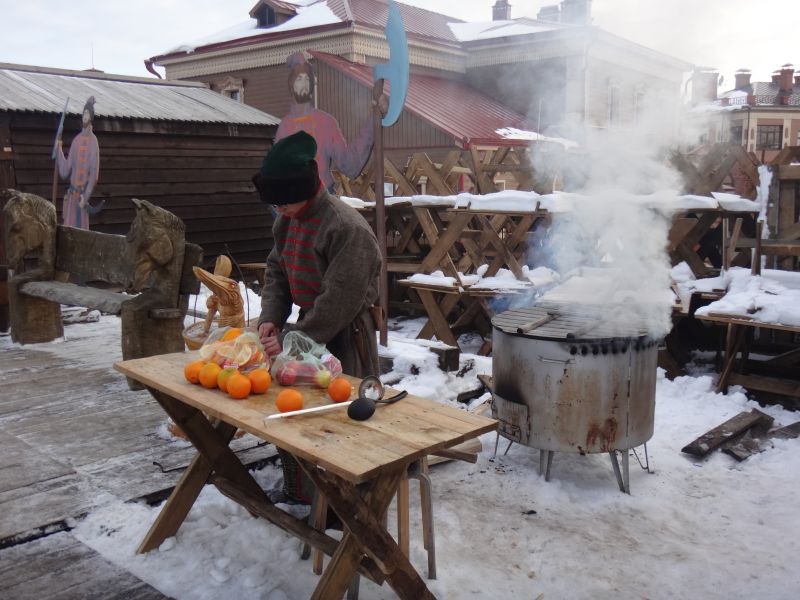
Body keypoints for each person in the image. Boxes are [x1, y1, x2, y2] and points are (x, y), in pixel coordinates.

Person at [253, 130, 382, 504]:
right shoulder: (287, 220)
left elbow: (337, 303)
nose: (279, 211)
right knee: (301, 417)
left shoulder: (346, 229)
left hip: (345, 333)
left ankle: (351, 499)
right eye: (275, 204)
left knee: (344, 415)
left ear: (305, 190)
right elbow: (277, 270)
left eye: (284, 203)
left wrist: (293, 338)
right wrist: (271, 317)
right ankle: (307, 490)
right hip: (306, 330)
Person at [275, 52, 376, 193]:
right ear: (291, 85)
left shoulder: (326, 122)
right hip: (296, 204)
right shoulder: (284, 128)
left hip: (324, 200)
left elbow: (350, 165)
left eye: (307, 79)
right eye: (299, 79)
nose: (303, 84)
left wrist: (374, 120)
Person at [56, 96, 100, 229]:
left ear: (91, 117)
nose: (85, 116)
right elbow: (64, 171)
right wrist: (58, 149)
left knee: (81, 233)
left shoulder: (93, 142)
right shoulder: (76, 140)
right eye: (84, 113)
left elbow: (94, 175)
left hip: (81, 199)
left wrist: (85, 198)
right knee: (69, 230)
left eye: (87, 113)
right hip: (71, 198)